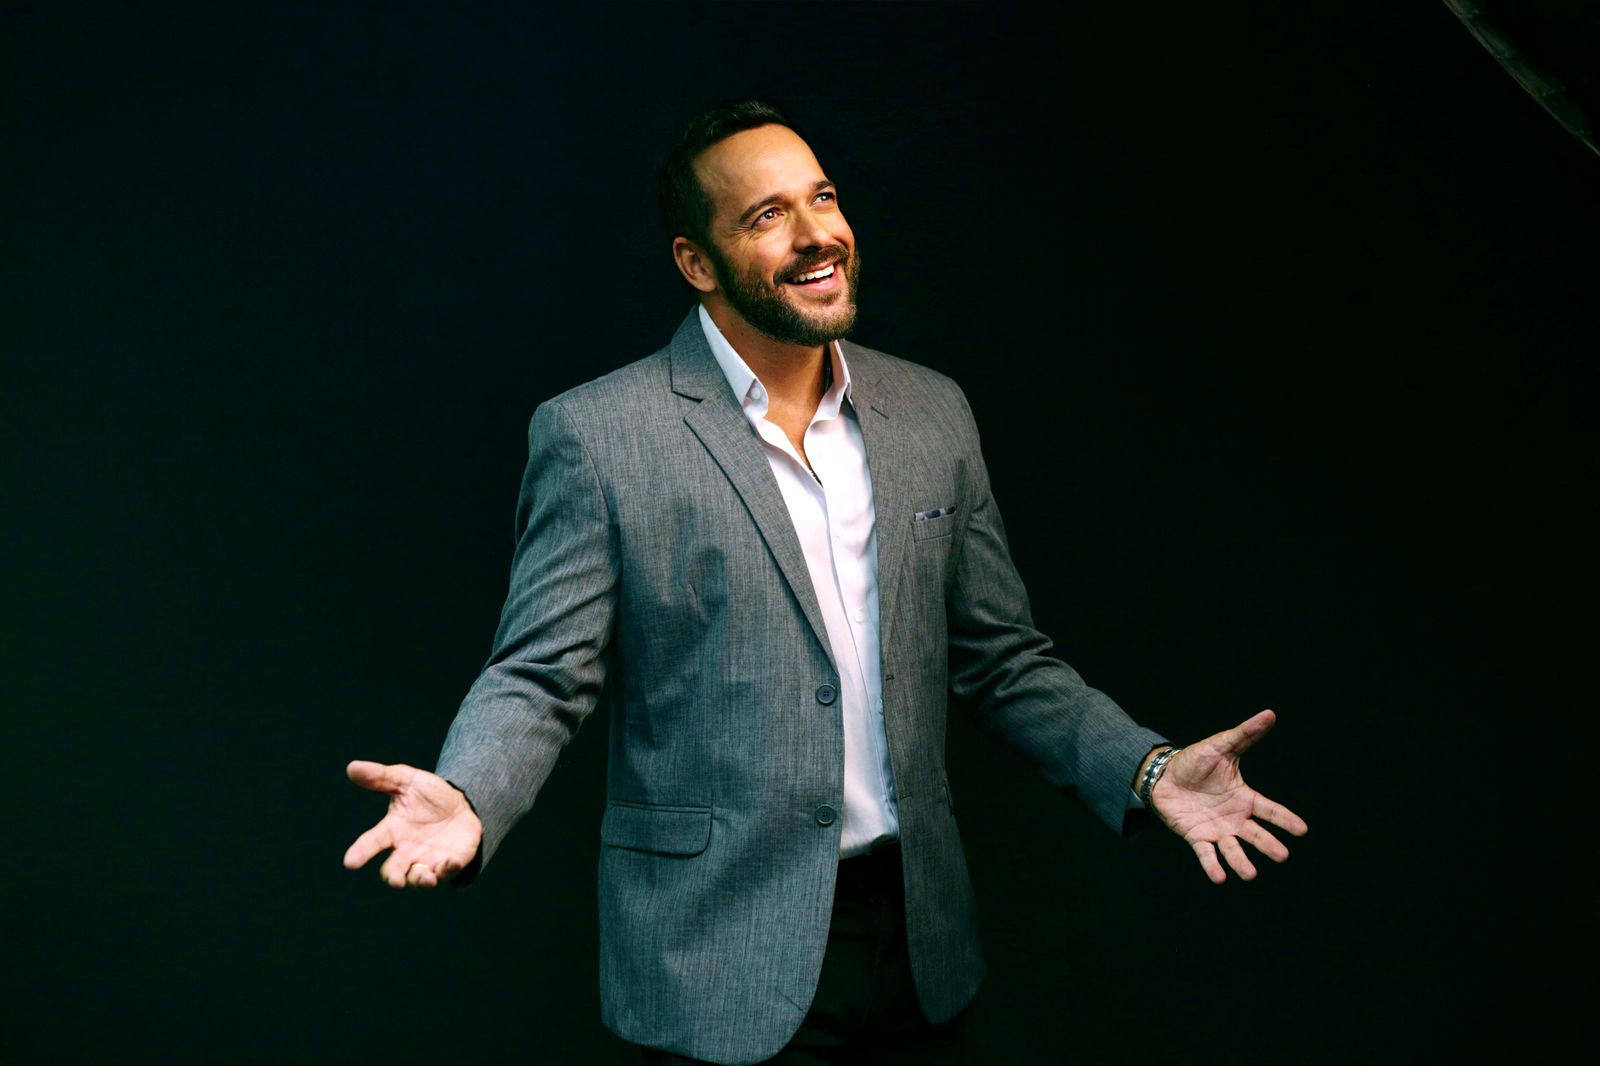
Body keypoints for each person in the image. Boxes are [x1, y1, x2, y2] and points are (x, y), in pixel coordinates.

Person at [343, 100, 1308, 1065]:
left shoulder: (931, 410)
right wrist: (471, 792)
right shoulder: (599, 436)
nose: (816, 235)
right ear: (696, 262)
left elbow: (1004, 662)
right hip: (715, 956)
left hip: (921, 947)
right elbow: (543, 672)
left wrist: (1147, 768)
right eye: (767, 216)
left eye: (824, 198)